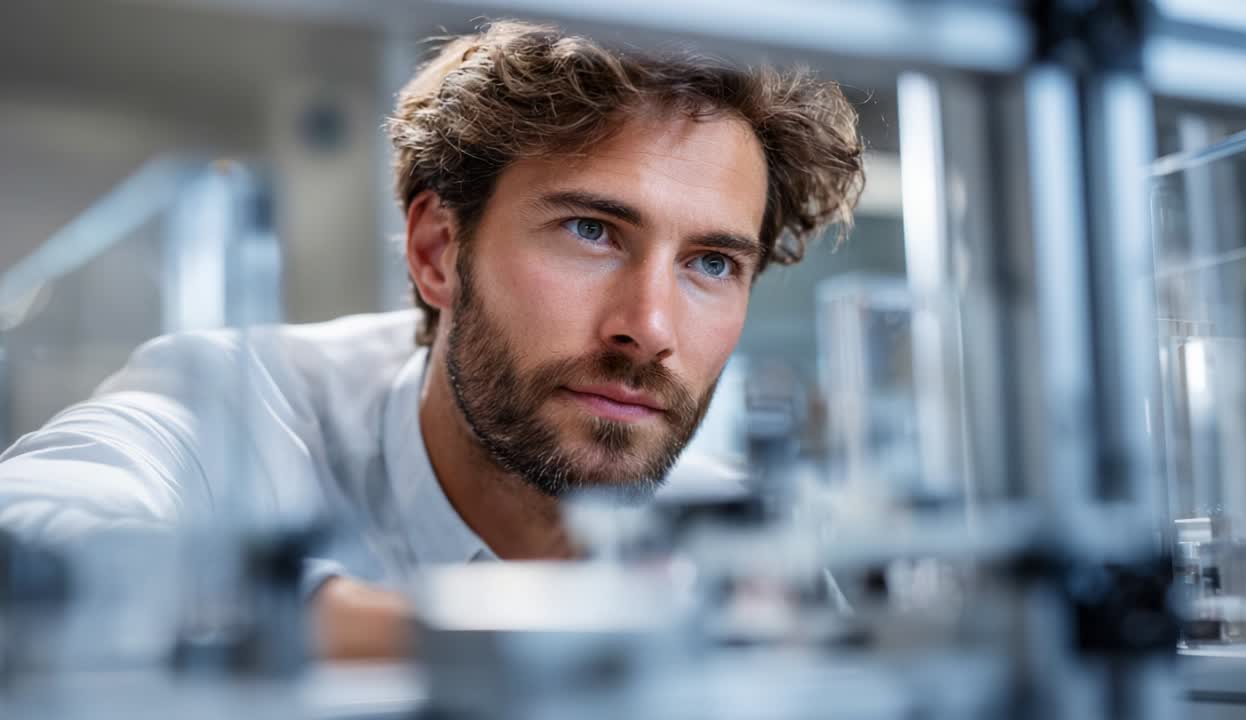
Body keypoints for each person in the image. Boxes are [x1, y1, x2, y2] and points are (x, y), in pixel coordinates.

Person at [0, 21, 864, 659]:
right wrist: (476, 646)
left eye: (711, 263)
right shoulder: (237, 407)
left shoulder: (749, 550)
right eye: (592, 231)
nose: (650, 329)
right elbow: (24, 545)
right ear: (438, 251)